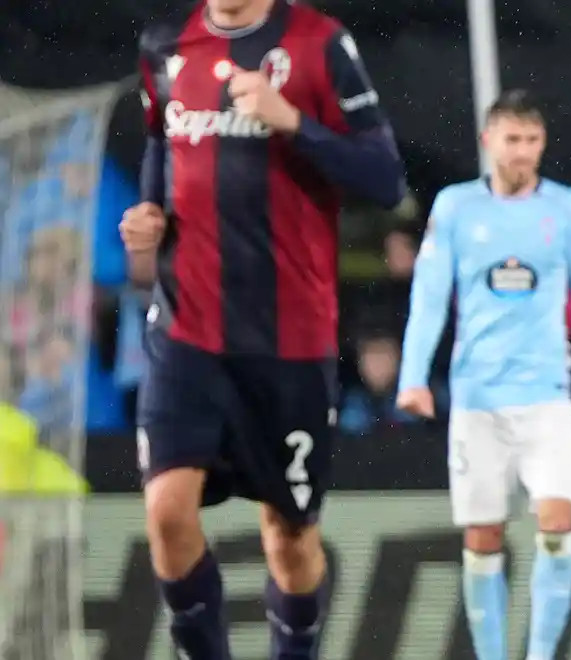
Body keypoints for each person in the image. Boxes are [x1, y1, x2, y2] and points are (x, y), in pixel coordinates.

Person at [119, 0, 405, 658]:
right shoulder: (166, 42)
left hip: (289, 340)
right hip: (186, 327)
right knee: (166, 512)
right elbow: (160, 143)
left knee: (290, 539)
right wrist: (149, 213)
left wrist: (293, 122)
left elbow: (385, 179)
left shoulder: (320, 44)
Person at [395, 90, 571, 660]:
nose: (521, 151)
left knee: (556, 526)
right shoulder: (455, 208)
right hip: (477, 398)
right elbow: (429, 299)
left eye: (531, 140)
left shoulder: (569, 209)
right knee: (483, 538)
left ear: (542, 142)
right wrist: (413, 377)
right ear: (488, 141)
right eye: (511, 139)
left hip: (549, 396)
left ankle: (542, 655)